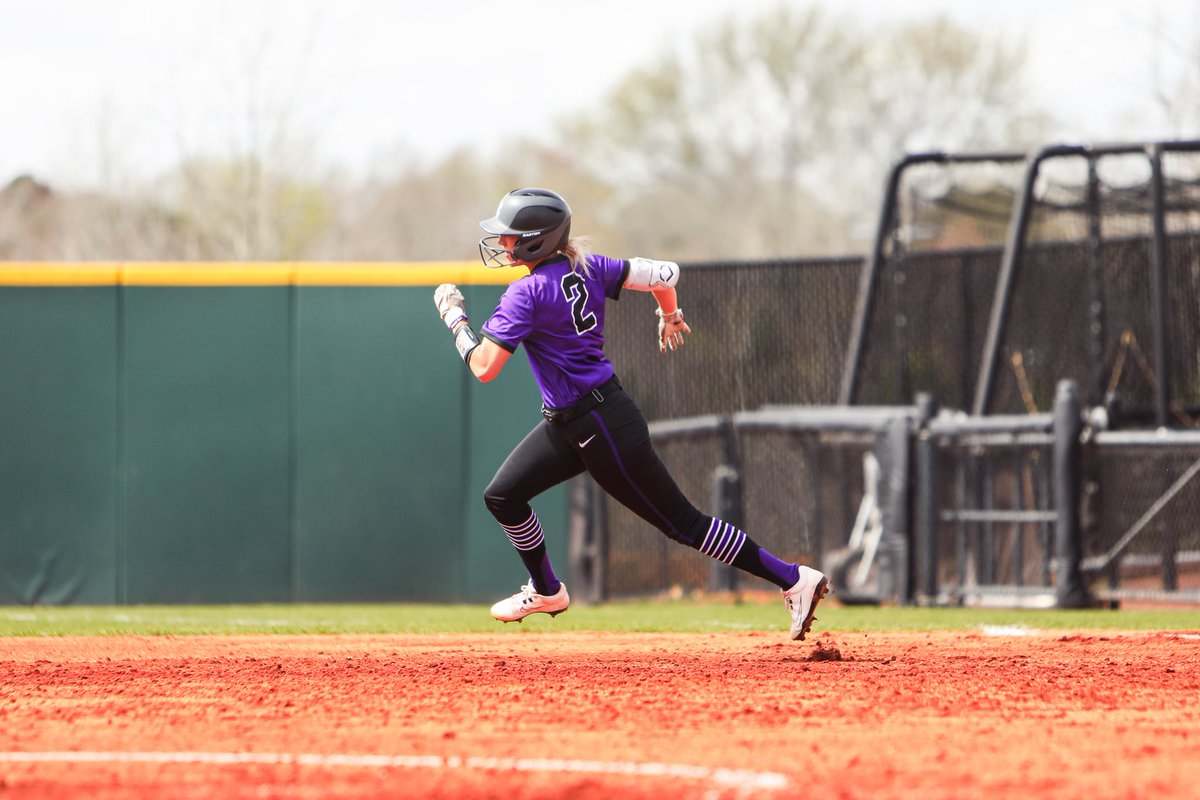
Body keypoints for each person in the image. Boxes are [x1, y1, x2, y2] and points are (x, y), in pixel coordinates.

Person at [432, 187, 829, 641]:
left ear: (535, 240)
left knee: (685, 524)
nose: (502, 243)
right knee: (503, 496)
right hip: (576, 419)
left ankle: (793, 579)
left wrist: (456, 321)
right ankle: (546, 590)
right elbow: (665, 273)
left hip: (600, 426)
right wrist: (670, 313)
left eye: (510, 236)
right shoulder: (590, 266)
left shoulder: (526, 292)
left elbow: (484, 368)